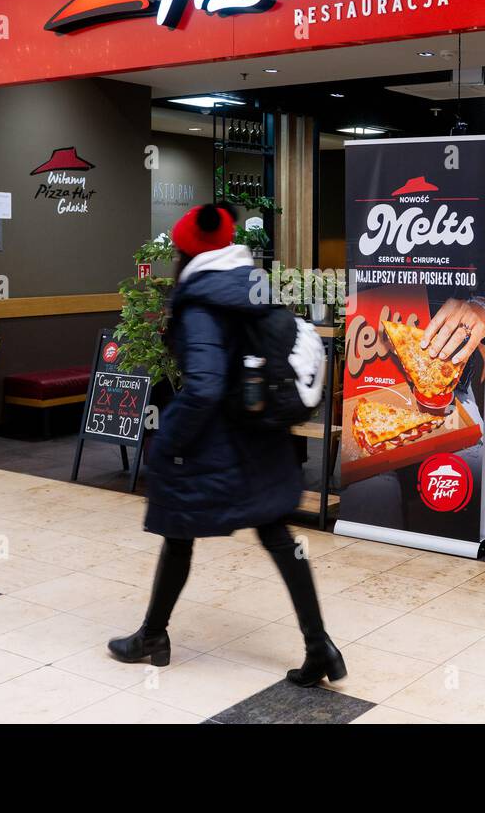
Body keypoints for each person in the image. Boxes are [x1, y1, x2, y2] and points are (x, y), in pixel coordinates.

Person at [107, 203, 345, 687]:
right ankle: (320, 646)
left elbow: (204, 387)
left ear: (186, 253)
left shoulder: (199, 301)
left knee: (178, 531)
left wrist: (169, 439)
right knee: (279, 539)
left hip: (214, 443)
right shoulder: (253, 284)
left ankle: (153, 636)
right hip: (261, 438)